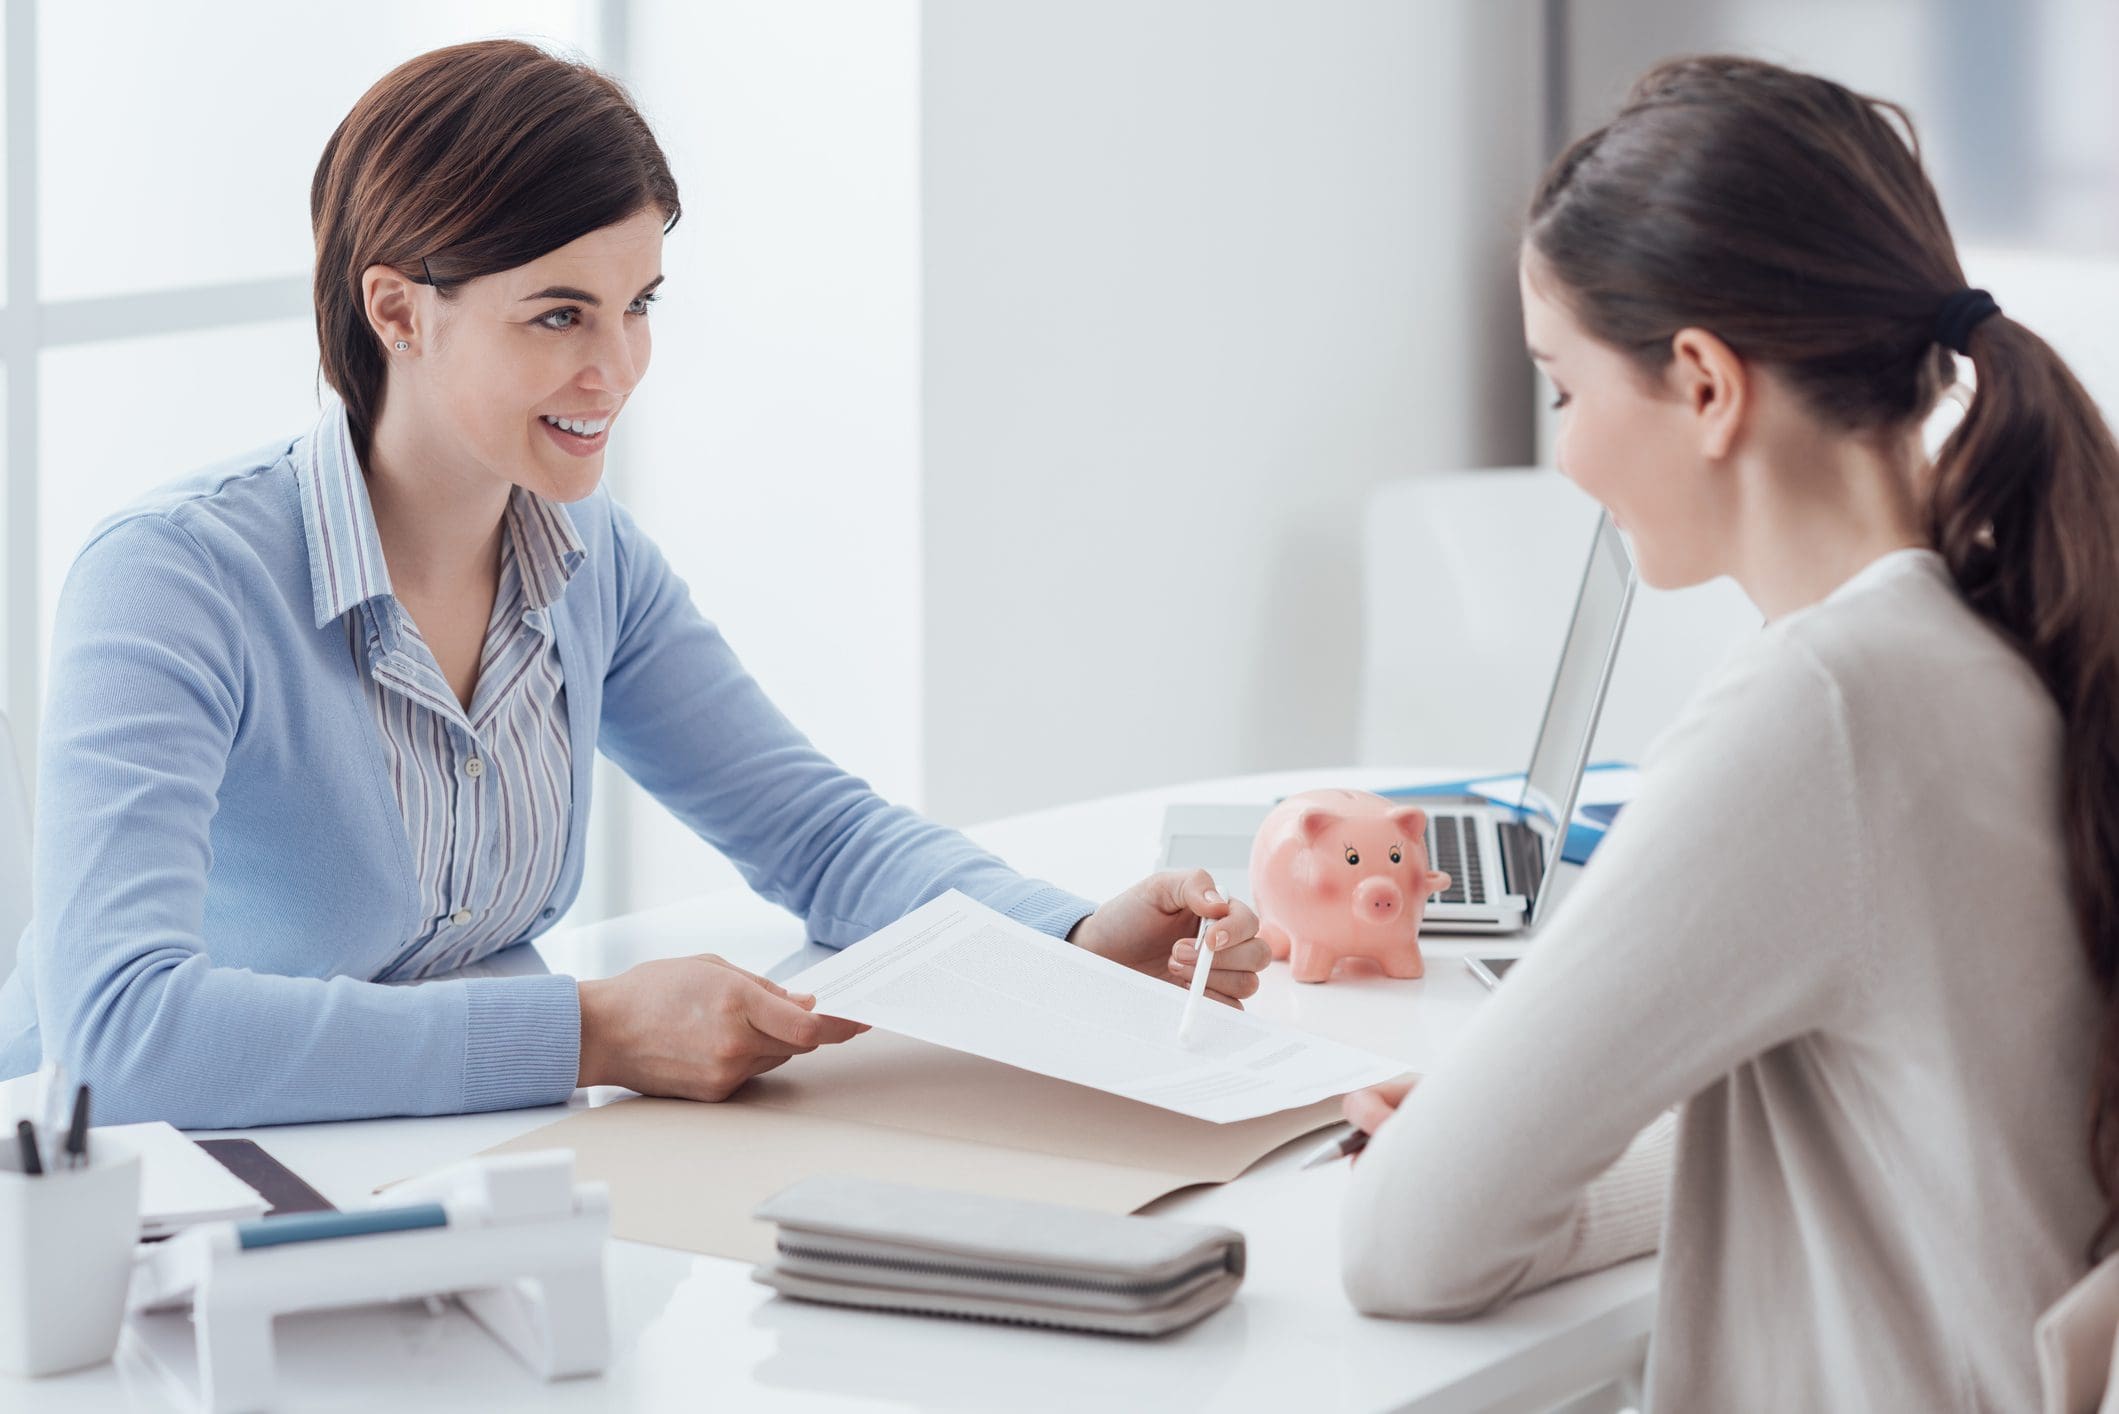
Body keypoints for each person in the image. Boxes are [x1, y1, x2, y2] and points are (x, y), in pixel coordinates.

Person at [0, 40, 1267, 1126]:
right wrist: (591, 1033)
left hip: (432, 1173)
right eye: (559, 315)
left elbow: (817, 833)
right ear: (397, 310)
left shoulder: (588, 564)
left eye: (639, 304)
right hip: (130, 1204)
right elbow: (120, 1026)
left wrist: (1069, 942)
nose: (617, 368)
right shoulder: (174, 579)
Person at [1336, 56, 2113, 1411]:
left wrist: (1487, 1156)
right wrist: (1573, 1161)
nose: (1564, 454)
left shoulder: (1822, 710)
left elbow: (1408, 1244)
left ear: (1702, 383)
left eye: (1563, 388)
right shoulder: (2009, 622)